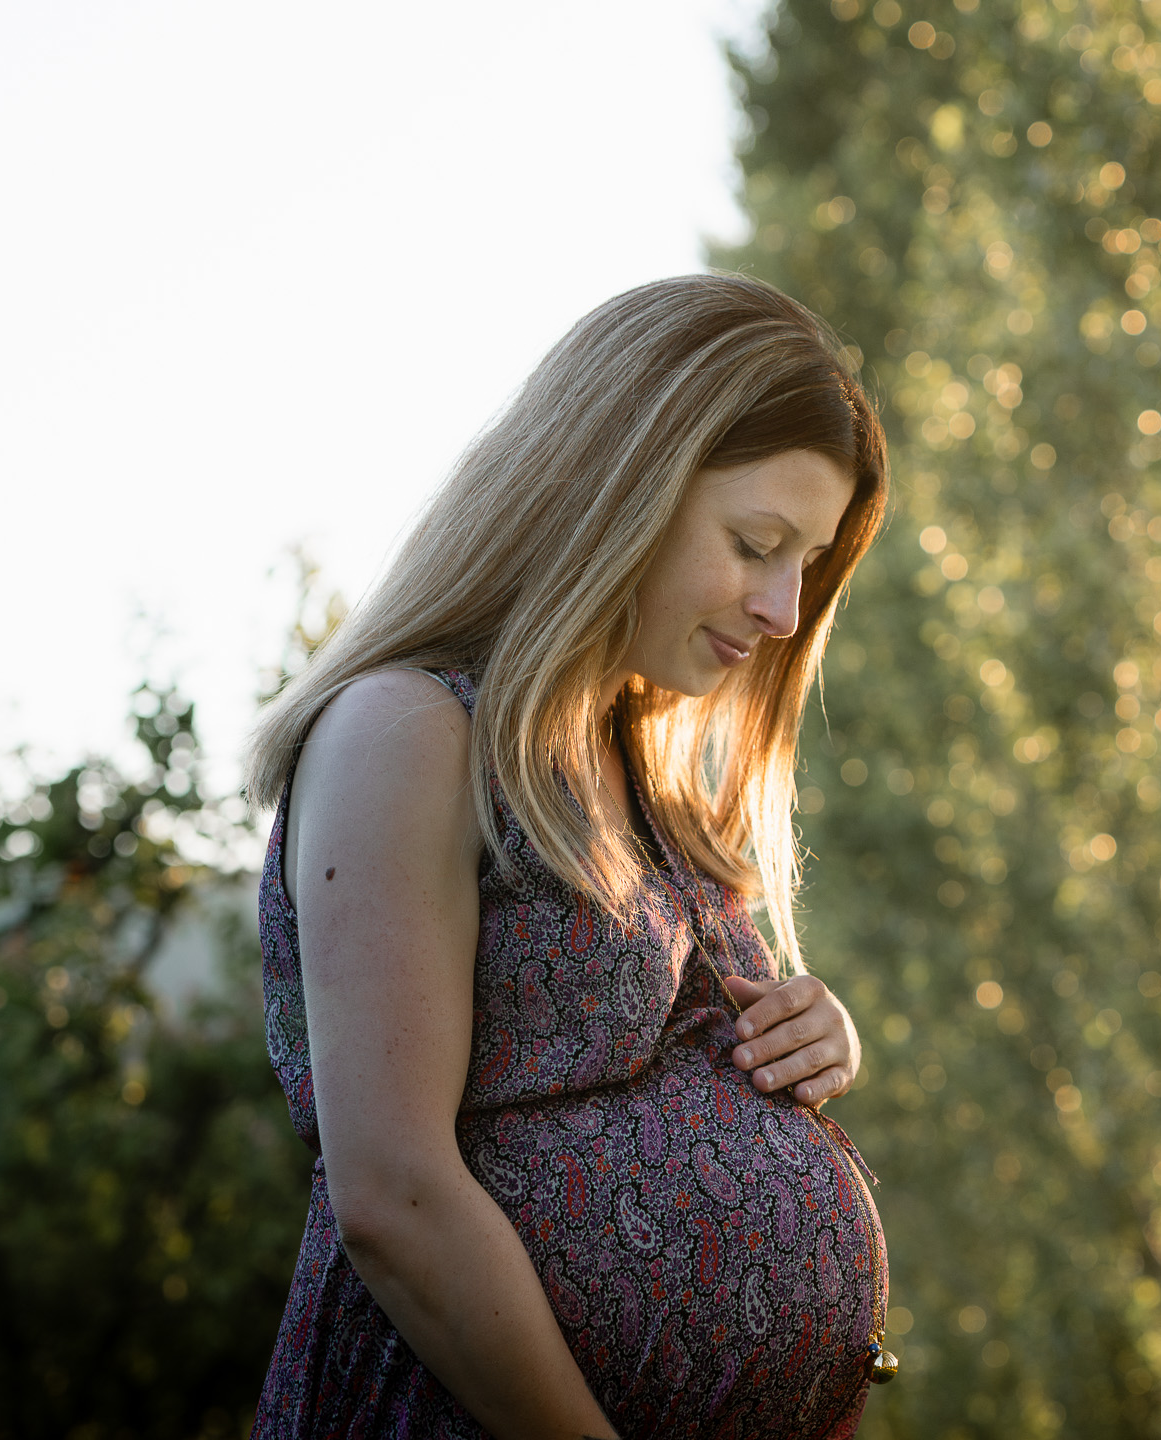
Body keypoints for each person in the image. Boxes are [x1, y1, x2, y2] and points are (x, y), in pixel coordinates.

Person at [243, 274, 894, 1439]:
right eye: (756, 544)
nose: (785, 609)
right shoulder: (408, 734)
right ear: (617, 486)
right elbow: (393, 1195)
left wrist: (813, 1032)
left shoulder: (637, 761)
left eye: (806, 562)